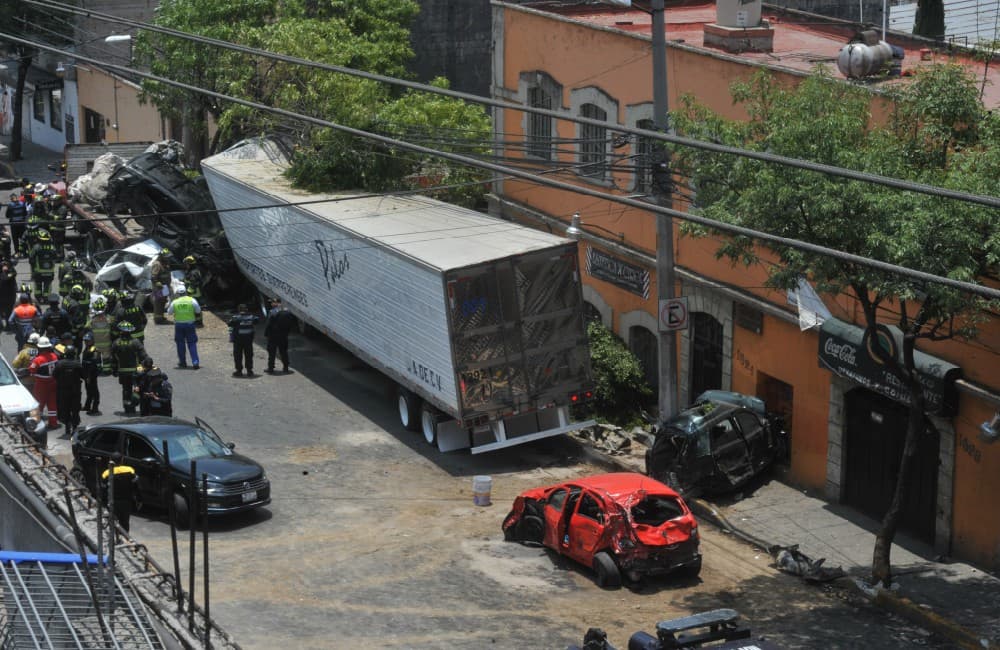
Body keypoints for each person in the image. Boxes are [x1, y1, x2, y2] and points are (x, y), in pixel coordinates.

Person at [110, 321, 145, 416]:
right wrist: (145, 367)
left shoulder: (116, 343)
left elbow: (113, 359)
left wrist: (114, 370)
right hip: (135, 371)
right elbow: (143, 356)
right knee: (138, 388)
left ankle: (128, 408)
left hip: (123, 372)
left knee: (126, 390)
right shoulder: (136, 342)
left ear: (120, 331)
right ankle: (136, 403)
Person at [28, 336, 60, 429]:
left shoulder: (38, 359)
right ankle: (53, 423)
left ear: (40, 347)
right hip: (53, 383)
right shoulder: (54, 356)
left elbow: (31, 370)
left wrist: (31, 361)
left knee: (37, 403)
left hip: (41, 384)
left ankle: (35, 422)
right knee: (52, 404)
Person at [167, 284, 201, 369]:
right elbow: (198, 310)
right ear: (185, 292)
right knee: (192, 343)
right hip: (190, 325)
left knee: (180, 344)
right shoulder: (192, 300)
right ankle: (195, 362)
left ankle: (182, 362)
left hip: (179, 325)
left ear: (178, 293)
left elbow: (169, 312)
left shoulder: (175, 302)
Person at [53, 345, 84, 437]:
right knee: (75, 409)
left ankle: (67, 427)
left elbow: (54, 375)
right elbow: (83, 375)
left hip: (63, 391)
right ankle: (75, 427)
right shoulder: (77, 364)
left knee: (65, 408)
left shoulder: (60, 364)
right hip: (75, 391)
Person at [101, 464, 136, 532]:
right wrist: (138, 499)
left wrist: (104, 502)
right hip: (126, 501)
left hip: (113, 501)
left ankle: (114, 536)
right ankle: (125, 536)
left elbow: (103, 489)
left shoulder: (106, 473)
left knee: (113, 522)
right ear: (122, 460)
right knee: (125, 522)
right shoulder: (130, 470)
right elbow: (135, 485)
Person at [265, 297, 296, 374]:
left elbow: (268, 324)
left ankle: (270, 368)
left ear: (275, 303)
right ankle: (286, 368)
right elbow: (291, 323)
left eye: (272, 302)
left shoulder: (272, 312)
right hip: (283, 335)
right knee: (284, 352)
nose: (271, 304)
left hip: (273, 336)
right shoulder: (287, 311)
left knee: (272, 352)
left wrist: (266, 333)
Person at [228, 303, 259, 377]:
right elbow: (257, 320)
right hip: (248, 340)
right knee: (249, 355)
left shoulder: (235, 317)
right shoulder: (252, 317)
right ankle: (249, 371)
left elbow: (229, 324)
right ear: (246, 309)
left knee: (238, 356)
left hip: (238, 340)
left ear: (239, 310)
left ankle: (239, 371)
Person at [87, 296, 115, 375]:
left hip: (96, 344)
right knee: (106, 358)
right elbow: (114, 327)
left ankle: (98, 369)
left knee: (97, 357)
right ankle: (107, 370)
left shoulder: (92, 321)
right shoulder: (109, 319)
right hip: (107, 343)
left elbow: (87, 328)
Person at [28, 229, 58, 295]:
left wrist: (33, 268)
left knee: (38, 285)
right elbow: (56, 257)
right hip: (49, 272)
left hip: (38, 272)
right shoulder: (52, 248)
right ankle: (46, 297)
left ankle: (38, 297)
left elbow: (31, 258)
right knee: (47, 285)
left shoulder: (36, 247)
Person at [81, 331, 102, 415]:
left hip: (92, 374)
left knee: (94, 391)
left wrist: (89, 376)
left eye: (88, 340)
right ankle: (87, 406)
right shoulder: (87, 348)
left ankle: (95, 408)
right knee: (88, 390)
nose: (86, 342)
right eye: (85, 341)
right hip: (86, 374)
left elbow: (93, 365)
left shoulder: (95, 350)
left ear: (93, 340)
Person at [150, 248, 172, 324]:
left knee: (163, 302)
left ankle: (161, 316)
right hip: (159, 288)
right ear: (161, 256)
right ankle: (157, 319)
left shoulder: (165, 263)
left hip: (165, 287)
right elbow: (153, 277)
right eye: (166, 256)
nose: (168, 258)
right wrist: (158, 283)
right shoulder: (157, 264)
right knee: (158, 303)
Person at [182, 255, 205, 327]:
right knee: (194, 307)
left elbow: (194, 283)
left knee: (195, 307)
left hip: (194, 293)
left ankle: (198, 322)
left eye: (186, 264)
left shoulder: (193, 272)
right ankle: (196, 321)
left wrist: (189, 291)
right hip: (193, 292)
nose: (185, 265)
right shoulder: (192, 271)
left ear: (189, 264)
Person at [0, 257, 17, 326]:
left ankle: (8, 325)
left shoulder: (10, 273)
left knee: (9, 311)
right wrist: (5, 271)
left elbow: (13, 273)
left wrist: (7, 270)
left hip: (10, 296)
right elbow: (4, 278)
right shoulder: (4, 275)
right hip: (2, 296)